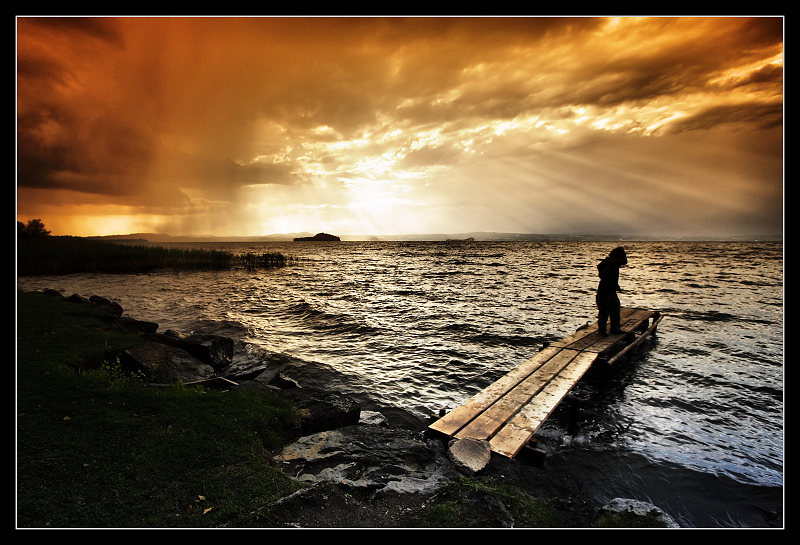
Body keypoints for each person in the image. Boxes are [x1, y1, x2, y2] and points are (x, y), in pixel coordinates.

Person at [596, 246, 627, 336]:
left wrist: (616, 286)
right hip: (604, 290)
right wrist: (610, 266)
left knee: (615, 309)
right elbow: (601, 275)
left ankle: (615, 328)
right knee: (604, 310)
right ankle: (602, 330)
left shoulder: (615, 263)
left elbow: (624, 262)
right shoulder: (607, 263)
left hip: (611, 290)